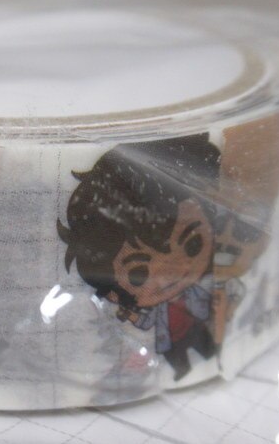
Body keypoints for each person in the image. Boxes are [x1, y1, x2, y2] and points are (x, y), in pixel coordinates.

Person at [58, 133, 222, 380]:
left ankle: (202, 362)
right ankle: (181, 372)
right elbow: (145, 322)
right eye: (139, 273)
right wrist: (131, 314)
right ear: (112, 292)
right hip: (173, 342)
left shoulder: (197, 293)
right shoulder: (173, 301)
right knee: (178, 359)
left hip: (197, 331)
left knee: (203, 346)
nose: (170, 270)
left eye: (193, 244)